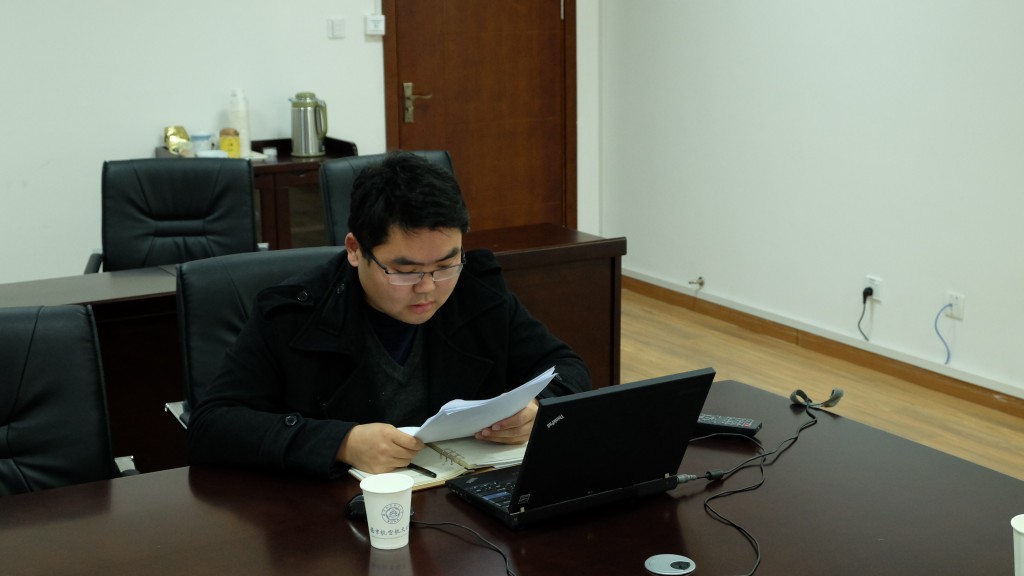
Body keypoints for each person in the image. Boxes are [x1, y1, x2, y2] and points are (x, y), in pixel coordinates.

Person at [186, 151, 591, 479]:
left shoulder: (475, 290)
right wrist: (341, 443)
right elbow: (213, 425)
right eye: (405, 271)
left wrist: (537, 408)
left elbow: (565, 366)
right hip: (334, 516)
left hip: (455, 500)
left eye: (445, 265)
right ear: (355, 249)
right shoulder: (293, 314)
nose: (428, 288)